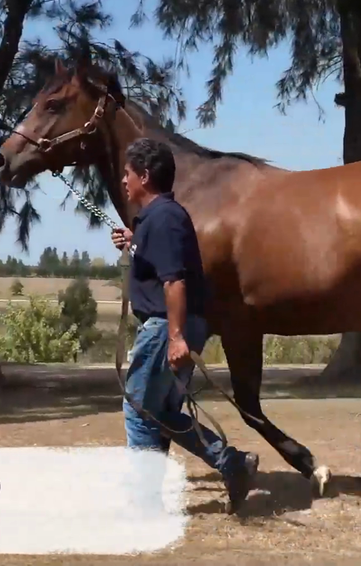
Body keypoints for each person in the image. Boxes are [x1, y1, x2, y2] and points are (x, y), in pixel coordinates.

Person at [111, 137, 259, 514]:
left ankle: (143, 505)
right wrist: (135, 242)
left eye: (128, 173)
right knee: (162, 414)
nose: (124, 180)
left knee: (139, 410)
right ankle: (233, 464)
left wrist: (175, 336)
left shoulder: (162, 218)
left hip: (166, 327)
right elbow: (166, 262)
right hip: (176, 326)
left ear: (145, 176)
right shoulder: (161, 218)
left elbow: (174, 281)